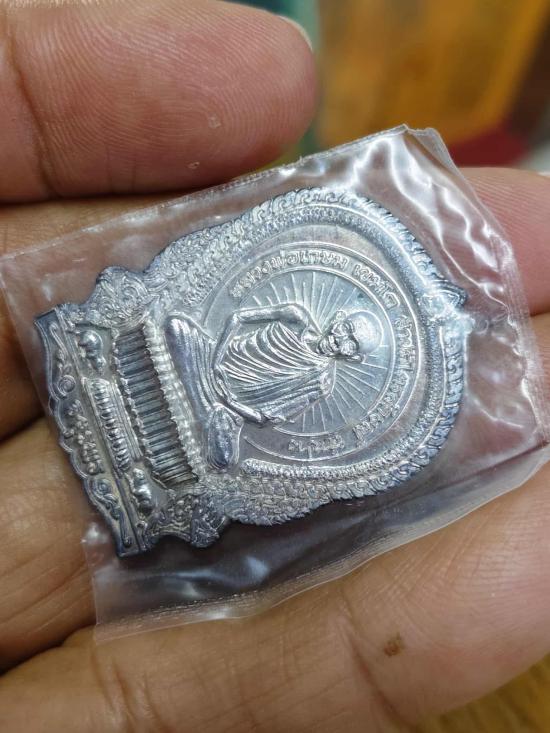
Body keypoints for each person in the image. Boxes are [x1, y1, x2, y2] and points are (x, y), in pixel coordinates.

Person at [0, 2, 548, 731]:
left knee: (223, 440)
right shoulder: (295, 316)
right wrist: (215, 353)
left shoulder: (322, 381)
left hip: (229, 408)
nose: (342, 346)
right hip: (207, 349)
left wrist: (236, 410)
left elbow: (273, 405)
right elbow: (249, 325)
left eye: (351, 347)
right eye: (345, 334)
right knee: (187, 338)